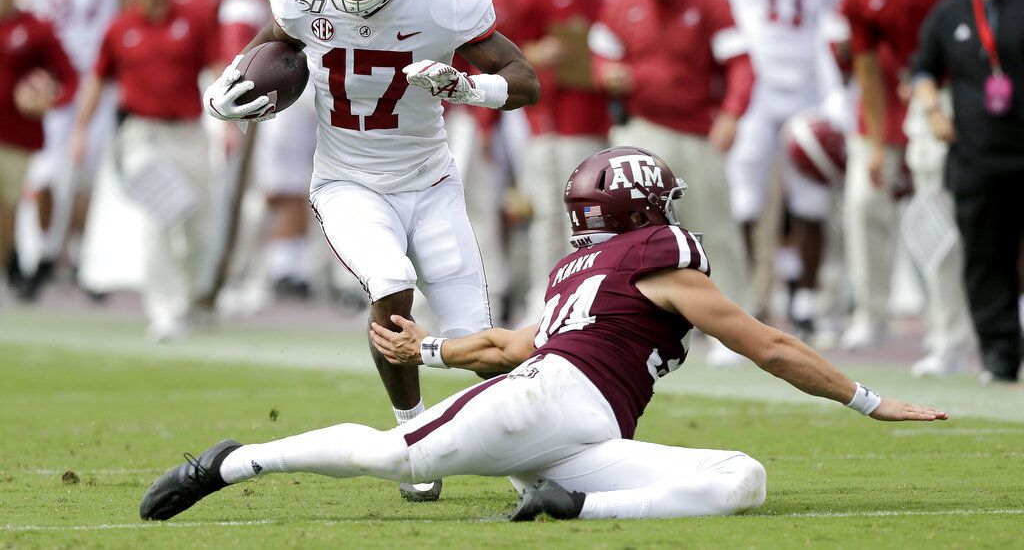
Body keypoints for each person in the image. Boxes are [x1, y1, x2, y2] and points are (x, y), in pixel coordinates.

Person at [139, 145, 948, 523]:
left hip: (581, 433)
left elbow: (503, 345)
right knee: (400, 455)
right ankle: (230, 461)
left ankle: (572, 507)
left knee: (742, 478)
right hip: (553, 397)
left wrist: (425, 349)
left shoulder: (582, 271)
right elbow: (764, 343)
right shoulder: (661, 257)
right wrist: (867, 398)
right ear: (648, 209)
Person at [201, 0, 539, 502]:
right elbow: (272, 47)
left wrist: (471, 89)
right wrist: (228, 90)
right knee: (390, 281)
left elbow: (525, 79)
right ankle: (413, 435)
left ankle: (525, 468)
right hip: (348, 179)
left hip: (432, 181)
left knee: (480, 342)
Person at [588, 0, 753, 363]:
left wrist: (733, 114)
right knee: (632, 236)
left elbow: (740, 63)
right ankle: (633, 324)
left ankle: (730, 330)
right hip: (640, 129)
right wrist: (609, 76)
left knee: (714, 228)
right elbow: (600, 57)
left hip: (696, 130)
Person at [700, 0, 851, 340]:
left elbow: (840, 30)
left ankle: (803, 300)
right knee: (744, 193)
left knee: (811, 196)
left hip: (807, 85)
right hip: (757, 85)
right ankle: (748, 294)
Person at [839, 0, 971, 351]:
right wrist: (875, 145)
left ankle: (948, 330)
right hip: (896, 104)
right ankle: (870, 315)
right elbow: (866, 69)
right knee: (861, 200)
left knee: (936, 209)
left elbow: (980, 11)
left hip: (955, 96)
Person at [69, 0, 218, 342]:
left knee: (197, 227)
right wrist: (80, 131)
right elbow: (98, 79)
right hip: (140, 134)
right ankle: (164, 310)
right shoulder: (120, 27)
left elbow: (219, 67)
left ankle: (189, 297)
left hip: (188, 132)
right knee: (161, 213)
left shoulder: (194, 18)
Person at [911, 0, 1024, 383]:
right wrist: (934, 110)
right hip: (976, 154)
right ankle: (1000, 356)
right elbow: (922, 69)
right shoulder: (950, 11)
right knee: (984, 259)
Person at [518, 0, 631, 325]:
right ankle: (545, 293)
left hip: (609, 114)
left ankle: (599, 296)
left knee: (608, 216)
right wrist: (538, 52)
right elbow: (508, 45)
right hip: (554, 116)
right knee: (551, 212)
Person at [14, 0, 127, 298]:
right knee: (44, 173)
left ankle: (78, 256)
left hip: (98, 81)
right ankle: (44, 252)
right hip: (53, 82)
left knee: (87, 178)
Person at [0, 0, 79, 289]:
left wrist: (49, 100)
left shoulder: (36, 28)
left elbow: (70, 77)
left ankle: (10, 263)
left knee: (6, 206)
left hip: (16, 134)